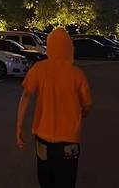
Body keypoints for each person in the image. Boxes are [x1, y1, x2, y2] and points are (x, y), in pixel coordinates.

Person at [16, 28, 92, 188]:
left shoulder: (39, 68)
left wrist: (19, 128)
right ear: (69, 48)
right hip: (69, 139)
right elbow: (87, 105)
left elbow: (26, 97)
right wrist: (83, 113)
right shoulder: (77, 74)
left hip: (43, 137)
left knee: (45, 180)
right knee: (67, 181)